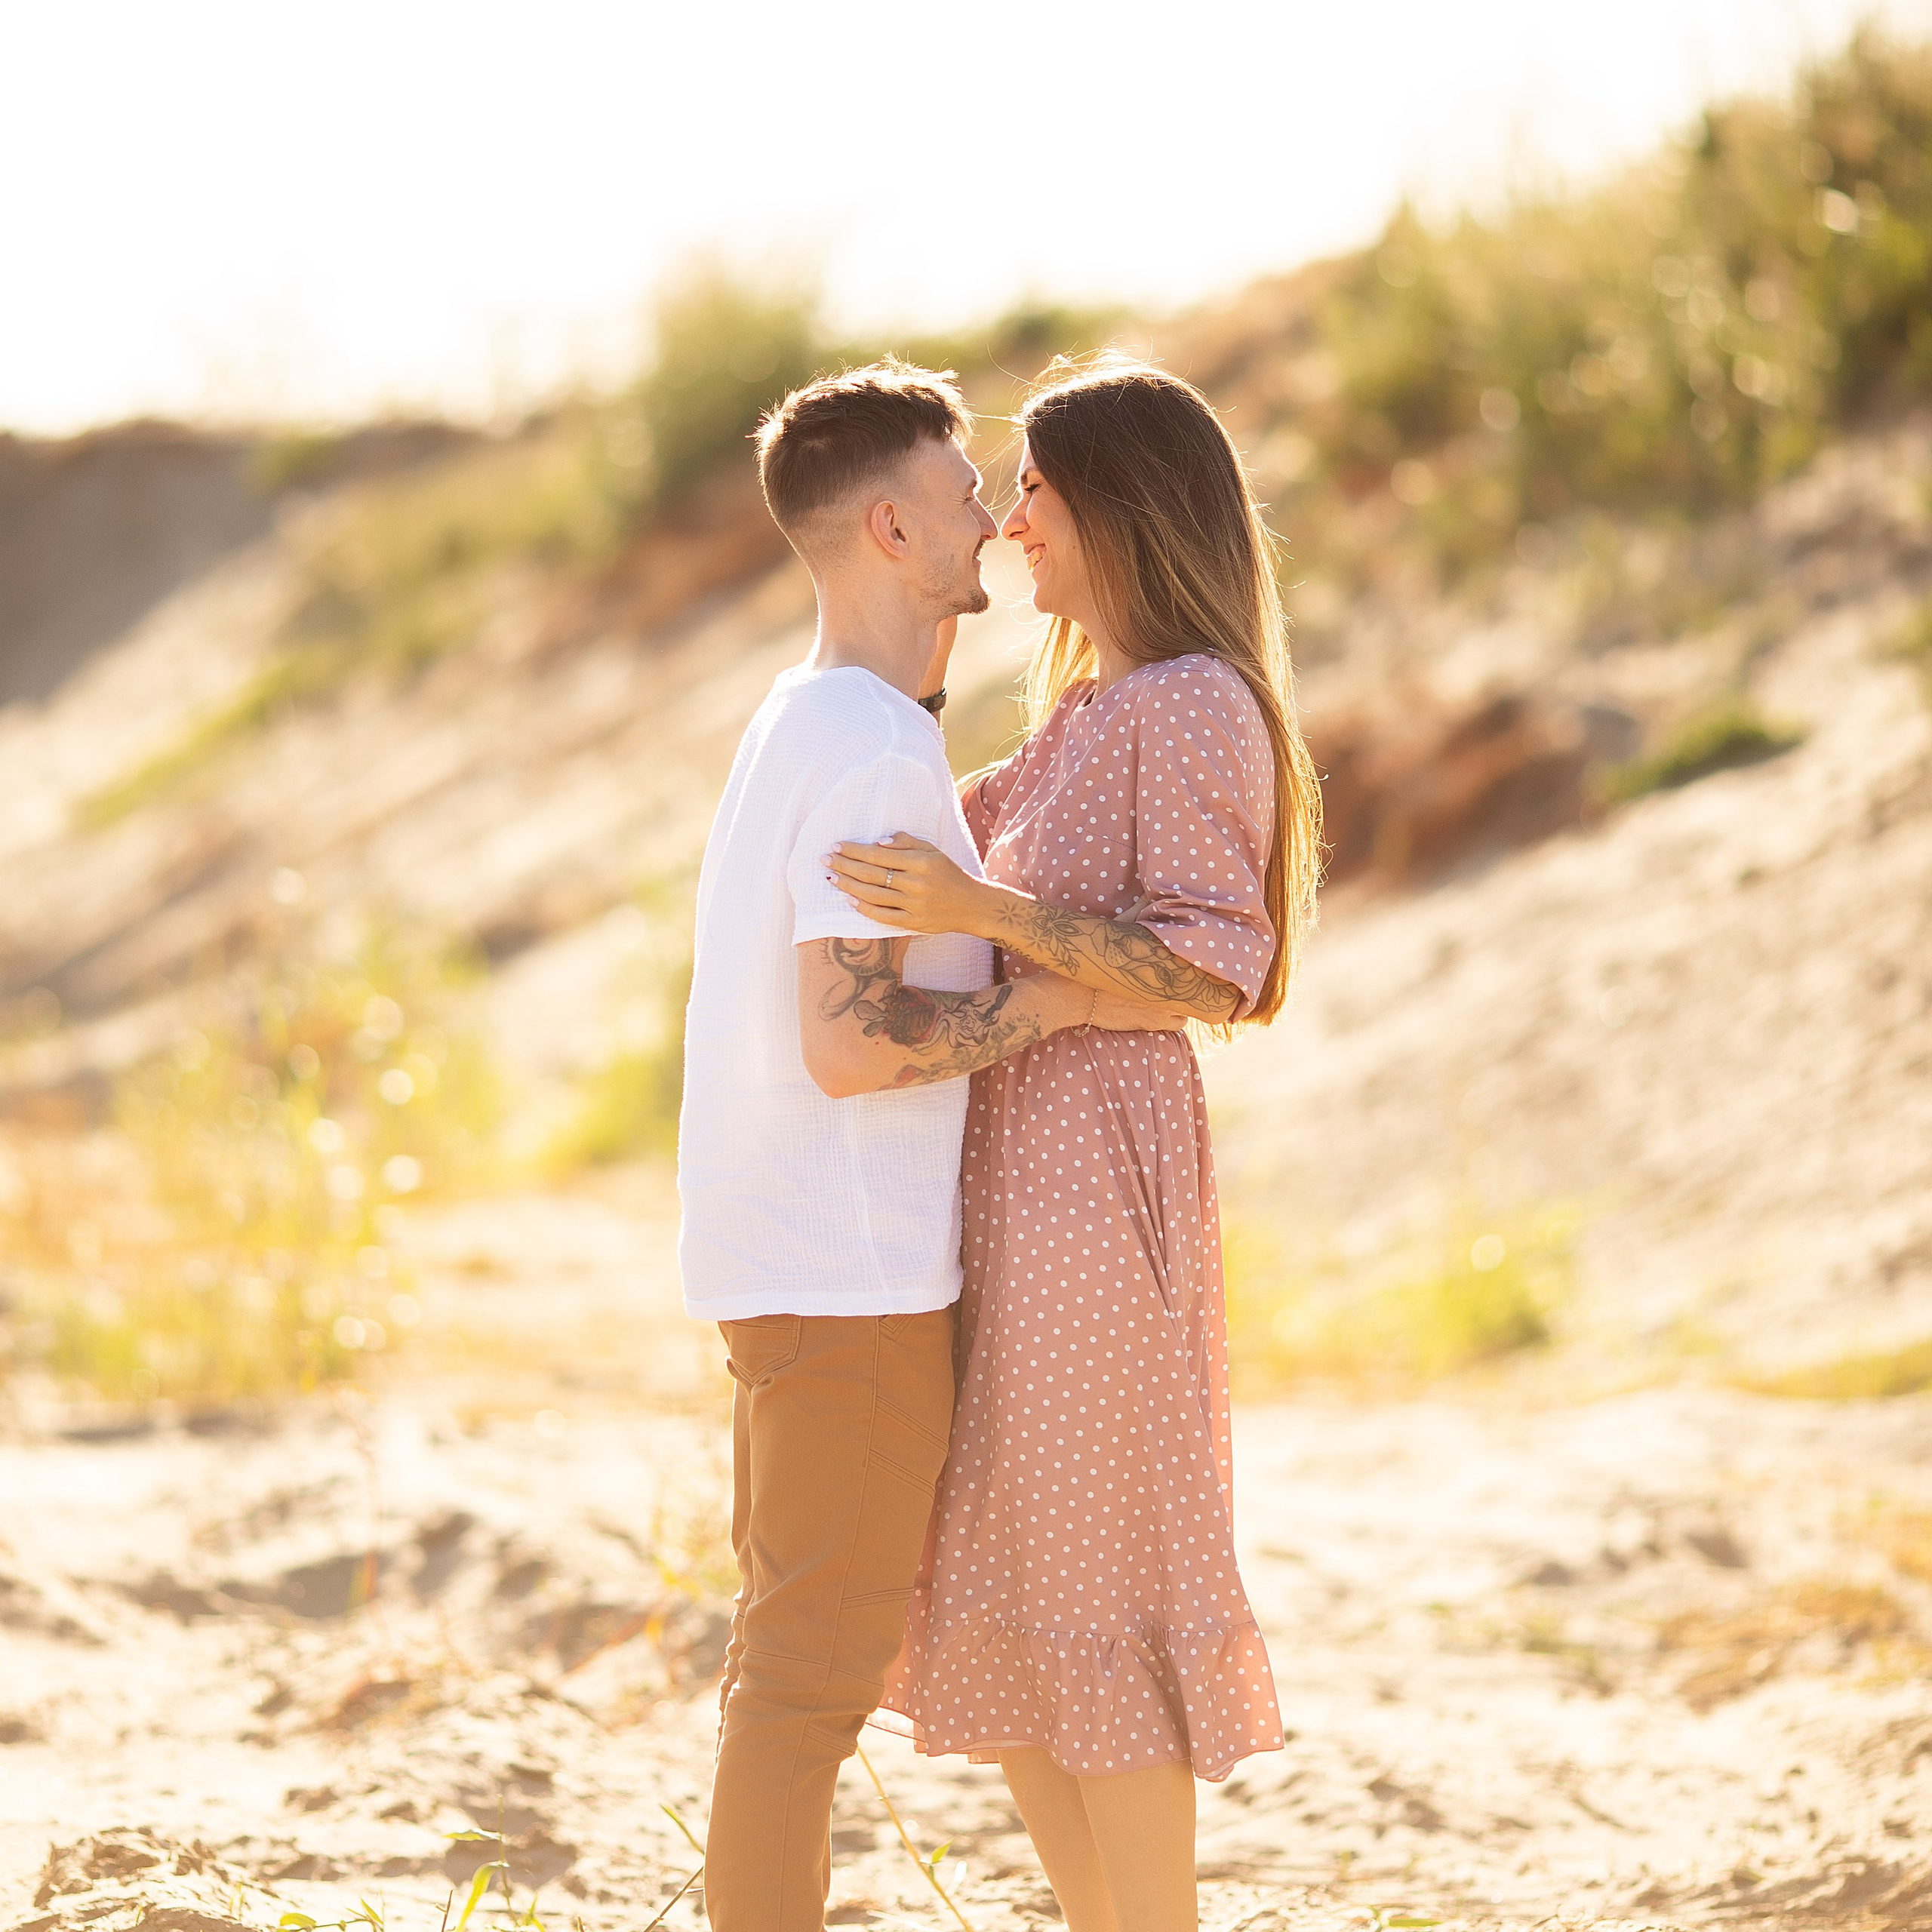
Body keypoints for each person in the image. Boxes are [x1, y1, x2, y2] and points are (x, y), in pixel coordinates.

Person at [676, 358, 1186, 1932]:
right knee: (806, 1684)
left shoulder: (810, 715)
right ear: (893, 528)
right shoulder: (869, 748)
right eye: (966, 486)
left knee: (796, 1661)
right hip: (848, 1284)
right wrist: (1054, 1000)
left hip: (801, 1269)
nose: (994, 513)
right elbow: (850, 1040)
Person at [829, 358, 1324, 1932]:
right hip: (1002, 1186)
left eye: (1033, 488)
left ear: (1115, 503)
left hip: (1090, 1190)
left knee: (1097, 1574)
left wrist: (990, 928)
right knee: (1023, 1587)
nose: (1012, 519)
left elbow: (1209, 968)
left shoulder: (1189, 704)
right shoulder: (1084, 710)